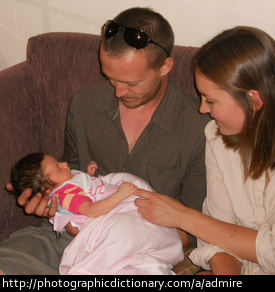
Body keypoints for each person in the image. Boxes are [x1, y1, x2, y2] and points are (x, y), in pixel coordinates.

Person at [1, 7, 209, 275]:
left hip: (139, 250)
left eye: (131, 83)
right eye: (110, 78)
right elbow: (71, 177)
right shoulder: (85, 104)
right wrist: (49, 201)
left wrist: (120, 240)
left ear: (165, 67)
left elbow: (193, 224)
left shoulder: (197, 127)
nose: (118, 91)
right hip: (62, 238)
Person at [135, 26, 275, 275]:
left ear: (253, 101)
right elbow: (217, 237)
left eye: (210, 100)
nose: (202, 109)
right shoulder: (217, 138)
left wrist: (184, 217)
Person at [10, 153, 138, 228]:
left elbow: (84, 190)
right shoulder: (66, 196)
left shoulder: (65, 179)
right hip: (101, 218)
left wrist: (88, 176)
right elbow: (91, 210)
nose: (65, 164)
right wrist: (120, 195)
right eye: (59, 169)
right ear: (48, 191)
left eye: (58, 162)